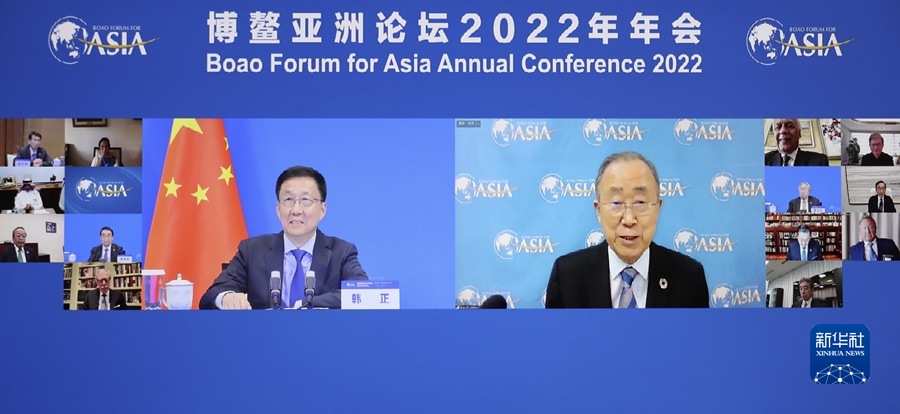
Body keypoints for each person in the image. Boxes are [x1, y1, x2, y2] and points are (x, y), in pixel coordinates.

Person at [545, 151, 709, 308]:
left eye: (640, 203)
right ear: (598, 211)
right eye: (616, 203)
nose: (629, 220)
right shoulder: (567, 277)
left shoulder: (689, 277)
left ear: (658, 208)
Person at [199, 166, 368, 309]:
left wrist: (307, 305)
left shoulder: (341, 252)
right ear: (278, 209)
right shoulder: (252, 251)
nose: (296, 210)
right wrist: (226, 297)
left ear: (322, 210)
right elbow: (211, 295)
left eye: (305, 200)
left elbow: (363, 293)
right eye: (288, 200)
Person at [764, 118, 829, 166]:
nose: (783, 131)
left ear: (799, 133)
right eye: (778, 127)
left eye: (789, 126)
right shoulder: (764, 161)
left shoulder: (819, 162)